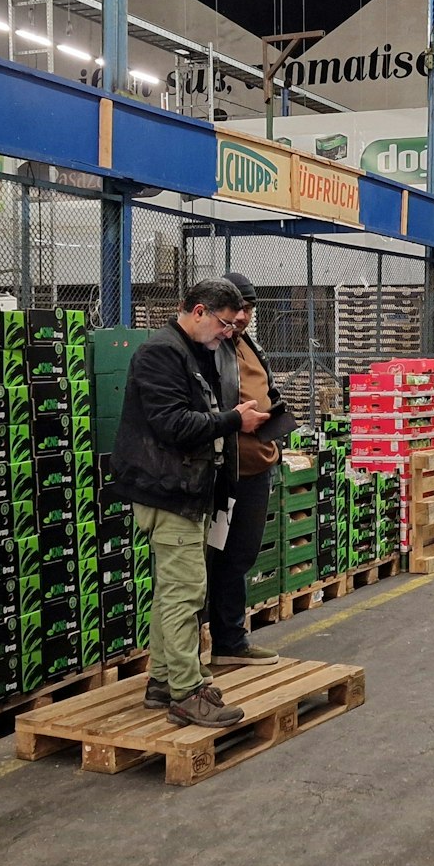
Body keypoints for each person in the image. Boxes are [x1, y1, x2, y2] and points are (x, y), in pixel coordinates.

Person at [111, 277, 270, 728]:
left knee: (172, 590)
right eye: (222, 323)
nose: (228, 332)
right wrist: (232, 420)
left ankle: (163, 679)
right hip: (167, 489)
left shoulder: (192, 352)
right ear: (198, 311)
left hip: (186, 488)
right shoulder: (162, 352)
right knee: (185, 593)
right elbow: (173, 425)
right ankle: (185, 692)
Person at [204, 271, 291, 666]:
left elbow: (262, 389)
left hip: (259, 465)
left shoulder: (248, 344)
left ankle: (231, 640)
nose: (241, 316)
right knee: (216, 557)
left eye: (248, 308)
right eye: (235, 308)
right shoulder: (209, 347)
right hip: (227, 471)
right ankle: (220, 641)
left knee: (241, 555)